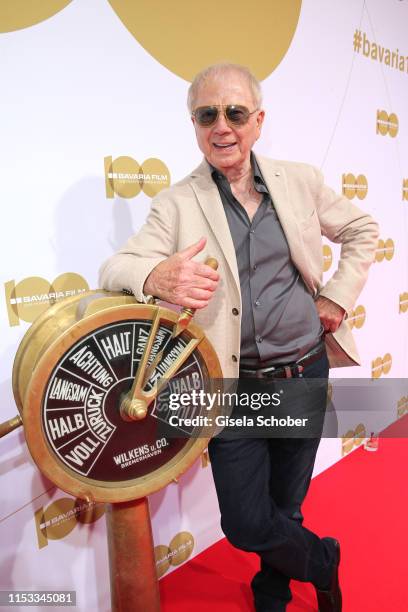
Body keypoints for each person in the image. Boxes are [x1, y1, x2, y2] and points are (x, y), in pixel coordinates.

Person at [99, 63, 379, 611]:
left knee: (287, 502)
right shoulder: (177, 204)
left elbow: (362, 230)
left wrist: (337, 298)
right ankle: (322, 561)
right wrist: (155, 277)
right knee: (247, 521)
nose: (221, 127)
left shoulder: (299, 181)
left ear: (257, 120)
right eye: (207, 115)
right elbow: (117, 266)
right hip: (233, 389)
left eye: (235, 113)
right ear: (194, 124)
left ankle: (271, 587)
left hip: (301, 372)